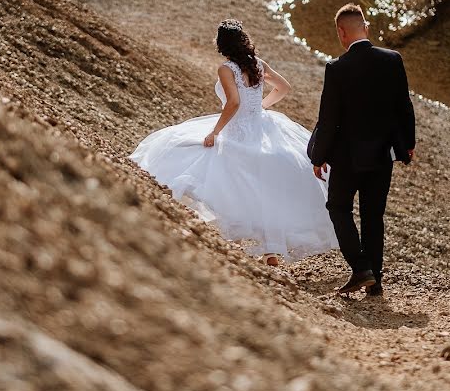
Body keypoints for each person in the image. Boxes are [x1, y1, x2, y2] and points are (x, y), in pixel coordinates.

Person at [130, 19, 338, 265]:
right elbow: (283, 88)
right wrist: (261, 106)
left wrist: (215, 132)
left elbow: (233, 103)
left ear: (221, 44)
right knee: (259, 184)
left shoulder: (226, 69)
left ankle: (238, 239)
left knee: (232, 181)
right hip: (262, 127)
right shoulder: (258, 65)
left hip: (238, 130)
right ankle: (270, 250)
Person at [308, 3, 416, 296]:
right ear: (365, 27)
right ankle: (375, 282)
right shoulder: (393, 59)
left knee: (338, 208)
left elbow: (328, 120)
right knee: (373, 216)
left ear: (341, 32)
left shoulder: (337, 68)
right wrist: (408, 145)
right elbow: (404, 107)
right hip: (383, 154)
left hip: (347, 159)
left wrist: (318, 156)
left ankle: (360, 267)